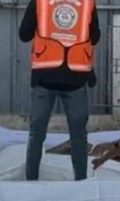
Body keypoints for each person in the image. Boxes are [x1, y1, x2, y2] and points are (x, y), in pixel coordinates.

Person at [19, 0, 100, 181]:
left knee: (36, 134)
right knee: (79, 136)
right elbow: (95, 36)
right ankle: (81, 182)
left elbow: (24, 34)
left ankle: (31, 181)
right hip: (76, 77)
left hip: (45, 75)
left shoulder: (40, 2)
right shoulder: (87, 3)